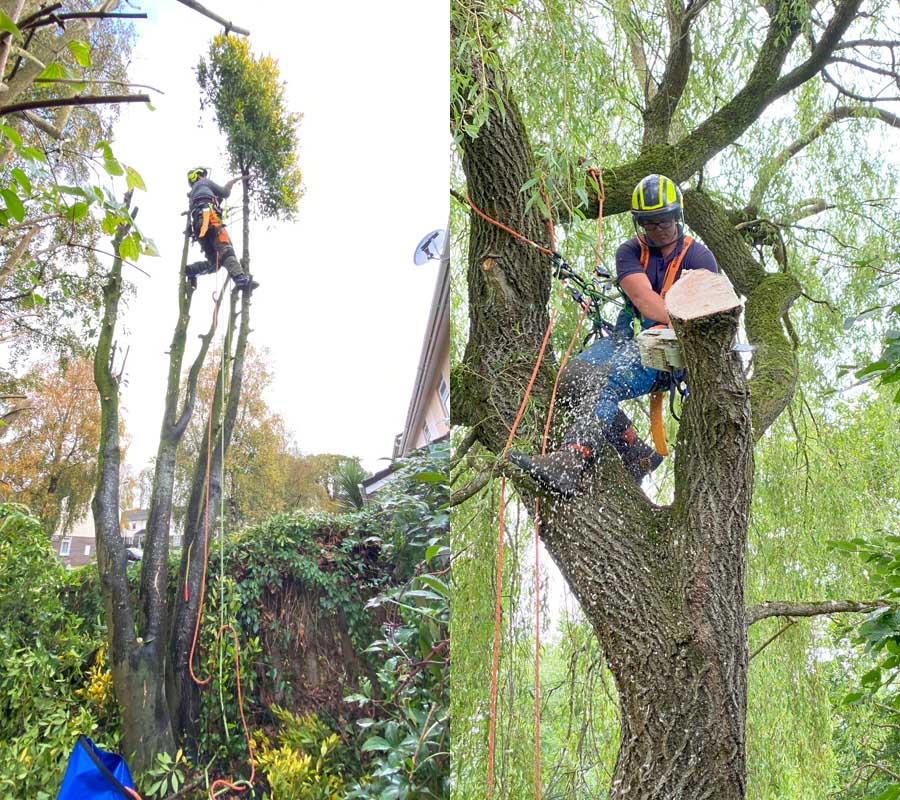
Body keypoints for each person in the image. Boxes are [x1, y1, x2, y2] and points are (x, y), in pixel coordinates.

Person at [510, 174, 718, 495]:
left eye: (664, 221)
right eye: (650, 223)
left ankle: (572, 460)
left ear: (677, 217)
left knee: (604, 380)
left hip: (673, 349)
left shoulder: (699, 258)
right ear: (640, 223)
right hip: (628, 338)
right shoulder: (630, 252)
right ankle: (635, 451)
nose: (659, 229)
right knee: (570, 378)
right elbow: (645, 301)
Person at [185, 167, 257, 291]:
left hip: (199, 227)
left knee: (214, 263)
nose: (204, 177)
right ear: (198, 176)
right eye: (202, 175)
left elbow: (212, 200)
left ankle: (191, 271)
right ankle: (240, 279)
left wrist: (218, 201)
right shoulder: (204, 183)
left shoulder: (193, 194)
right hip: (210, 219)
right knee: (226, 248)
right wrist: (230, 184)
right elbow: (225, 193)